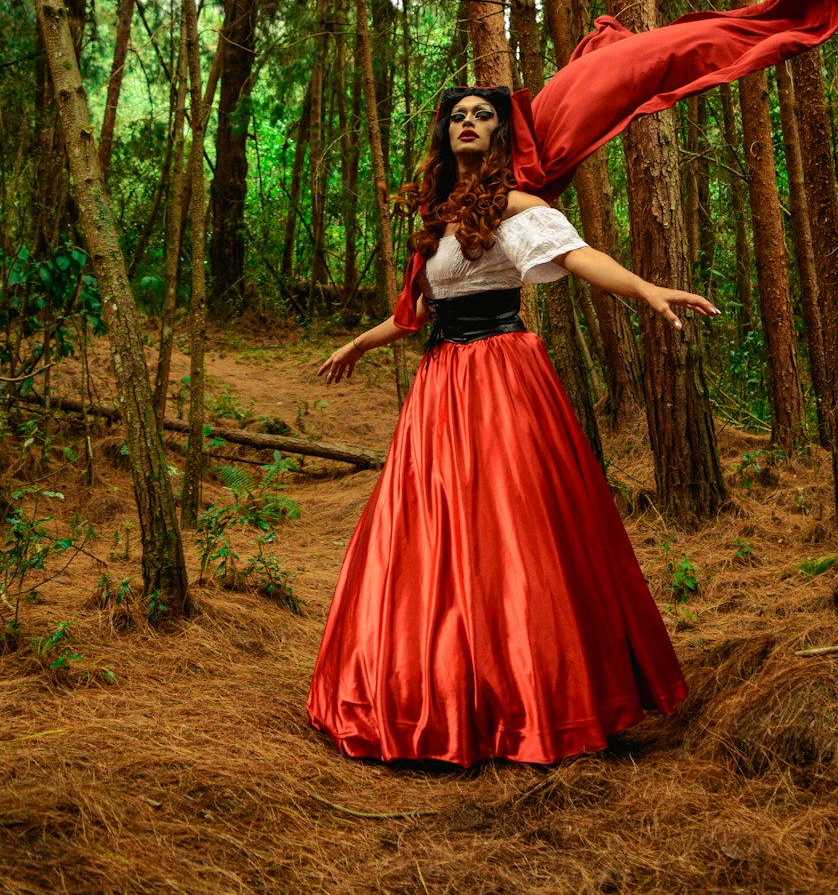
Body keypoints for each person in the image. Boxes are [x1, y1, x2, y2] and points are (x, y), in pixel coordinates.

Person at [307, 85, 719, 767]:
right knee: (435, 531)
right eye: (458, 116)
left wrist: (645, 287)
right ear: (445, 135)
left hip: (501, 376)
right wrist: (358, 343)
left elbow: (581, 257)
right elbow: (413, 313)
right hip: (442, 382)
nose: (469, 122)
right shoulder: (435, 220)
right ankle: (449, 693)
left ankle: (539, 699)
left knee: (515, 529)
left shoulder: (517, 207)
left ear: (500, 137)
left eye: (484, 116)